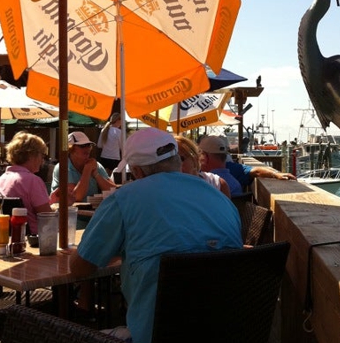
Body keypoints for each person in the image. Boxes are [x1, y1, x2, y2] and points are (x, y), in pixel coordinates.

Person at [70, 127, 242, 343]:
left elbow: (80, 267)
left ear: (138, 171)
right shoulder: (221, 200)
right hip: (227, 331)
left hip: (155, 334)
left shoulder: (124, 199)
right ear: (177, 162)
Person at [0, 131, 59, 234]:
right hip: (34, 240)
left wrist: (50, 201)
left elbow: (29, 206)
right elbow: (47, 218)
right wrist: (62, 210)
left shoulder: (1, 180)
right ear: (31, 155)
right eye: (42, 155)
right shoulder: (33, 181)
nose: (43, 160)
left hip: (7, 237)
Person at [51, 131, 115, 202]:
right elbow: (75, 197)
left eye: (89, 145)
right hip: (68, 211)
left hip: (90, 210)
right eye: (82, 146)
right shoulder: (63, 167)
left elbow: (113, 191)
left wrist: (96, 174)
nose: (87, 148)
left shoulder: (95, 165)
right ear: (71, 149)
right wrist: (87, 170)